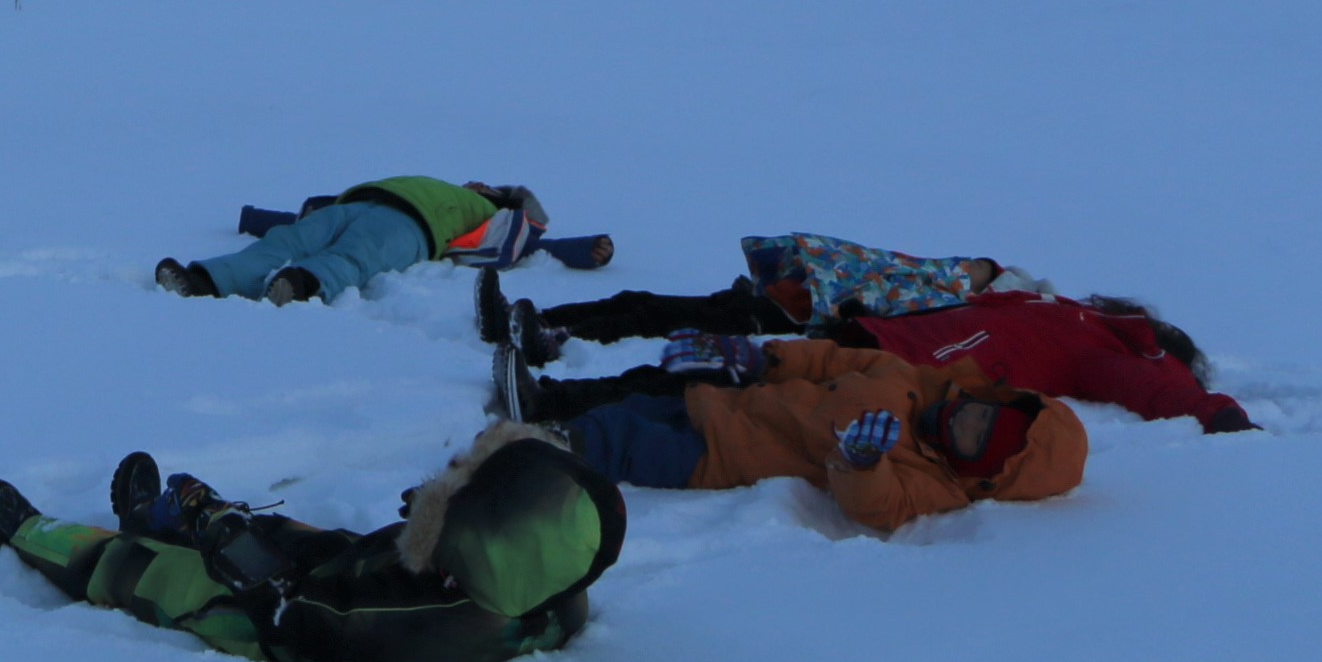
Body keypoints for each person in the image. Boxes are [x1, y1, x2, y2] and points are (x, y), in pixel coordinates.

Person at [0, 423, 621, 662]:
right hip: (357, 572)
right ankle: (159, 519)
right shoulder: (549, 587)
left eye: (461, 487)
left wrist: (233, 544)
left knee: (159, 577)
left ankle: (37, 535)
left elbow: (299, 611)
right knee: (293, 534)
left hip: (280, 619)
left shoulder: (422, 622)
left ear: (481, 531)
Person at [489, 265, 1253, 433]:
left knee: (726, 383)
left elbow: (1160, 391)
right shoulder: (1059, 307)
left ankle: (557, 401)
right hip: (878, 331)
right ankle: (555, 346)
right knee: (717, 350)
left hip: (905, 368)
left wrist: (1216, 413)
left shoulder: (1119, 348)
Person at [509, 334, 1087, 534]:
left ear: (979, 470)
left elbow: (882, 506)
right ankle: (547, 412)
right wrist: (762, 359)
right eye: (981, 414)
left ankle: (541, 453)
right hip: (729, 404)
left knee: (626, 442)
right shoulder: (909, 379)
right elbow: (831, 360)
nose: (966, 422)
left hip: (720, 454)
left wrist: (863, 463)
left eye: (975, 439)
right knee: (638, 401)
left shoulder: (936, 483)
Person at [482, 230, 1029, 351]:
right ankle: (537, 317)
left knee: (650, 318)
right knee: (640, 303)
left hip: (775, 323)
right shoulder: (933, 275)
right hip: (769, 299)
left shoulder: (941, 302)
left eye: (983, 270)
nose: (974, 267)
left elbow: (867, 312)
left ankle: (553, 335)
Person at [156, 178, 563, 304]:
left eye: (489, 186)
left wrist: (589, 249)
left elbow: (531, 241)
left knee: (355, 257)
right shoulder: (439, 185)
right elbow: (291, 220)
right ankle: (204, 281)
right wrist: (254, 218)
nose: (477, 183)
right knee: (288, 239)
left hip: (412, 229)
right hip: (358, 204)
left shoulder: (496, 217)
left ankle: (302, 284)